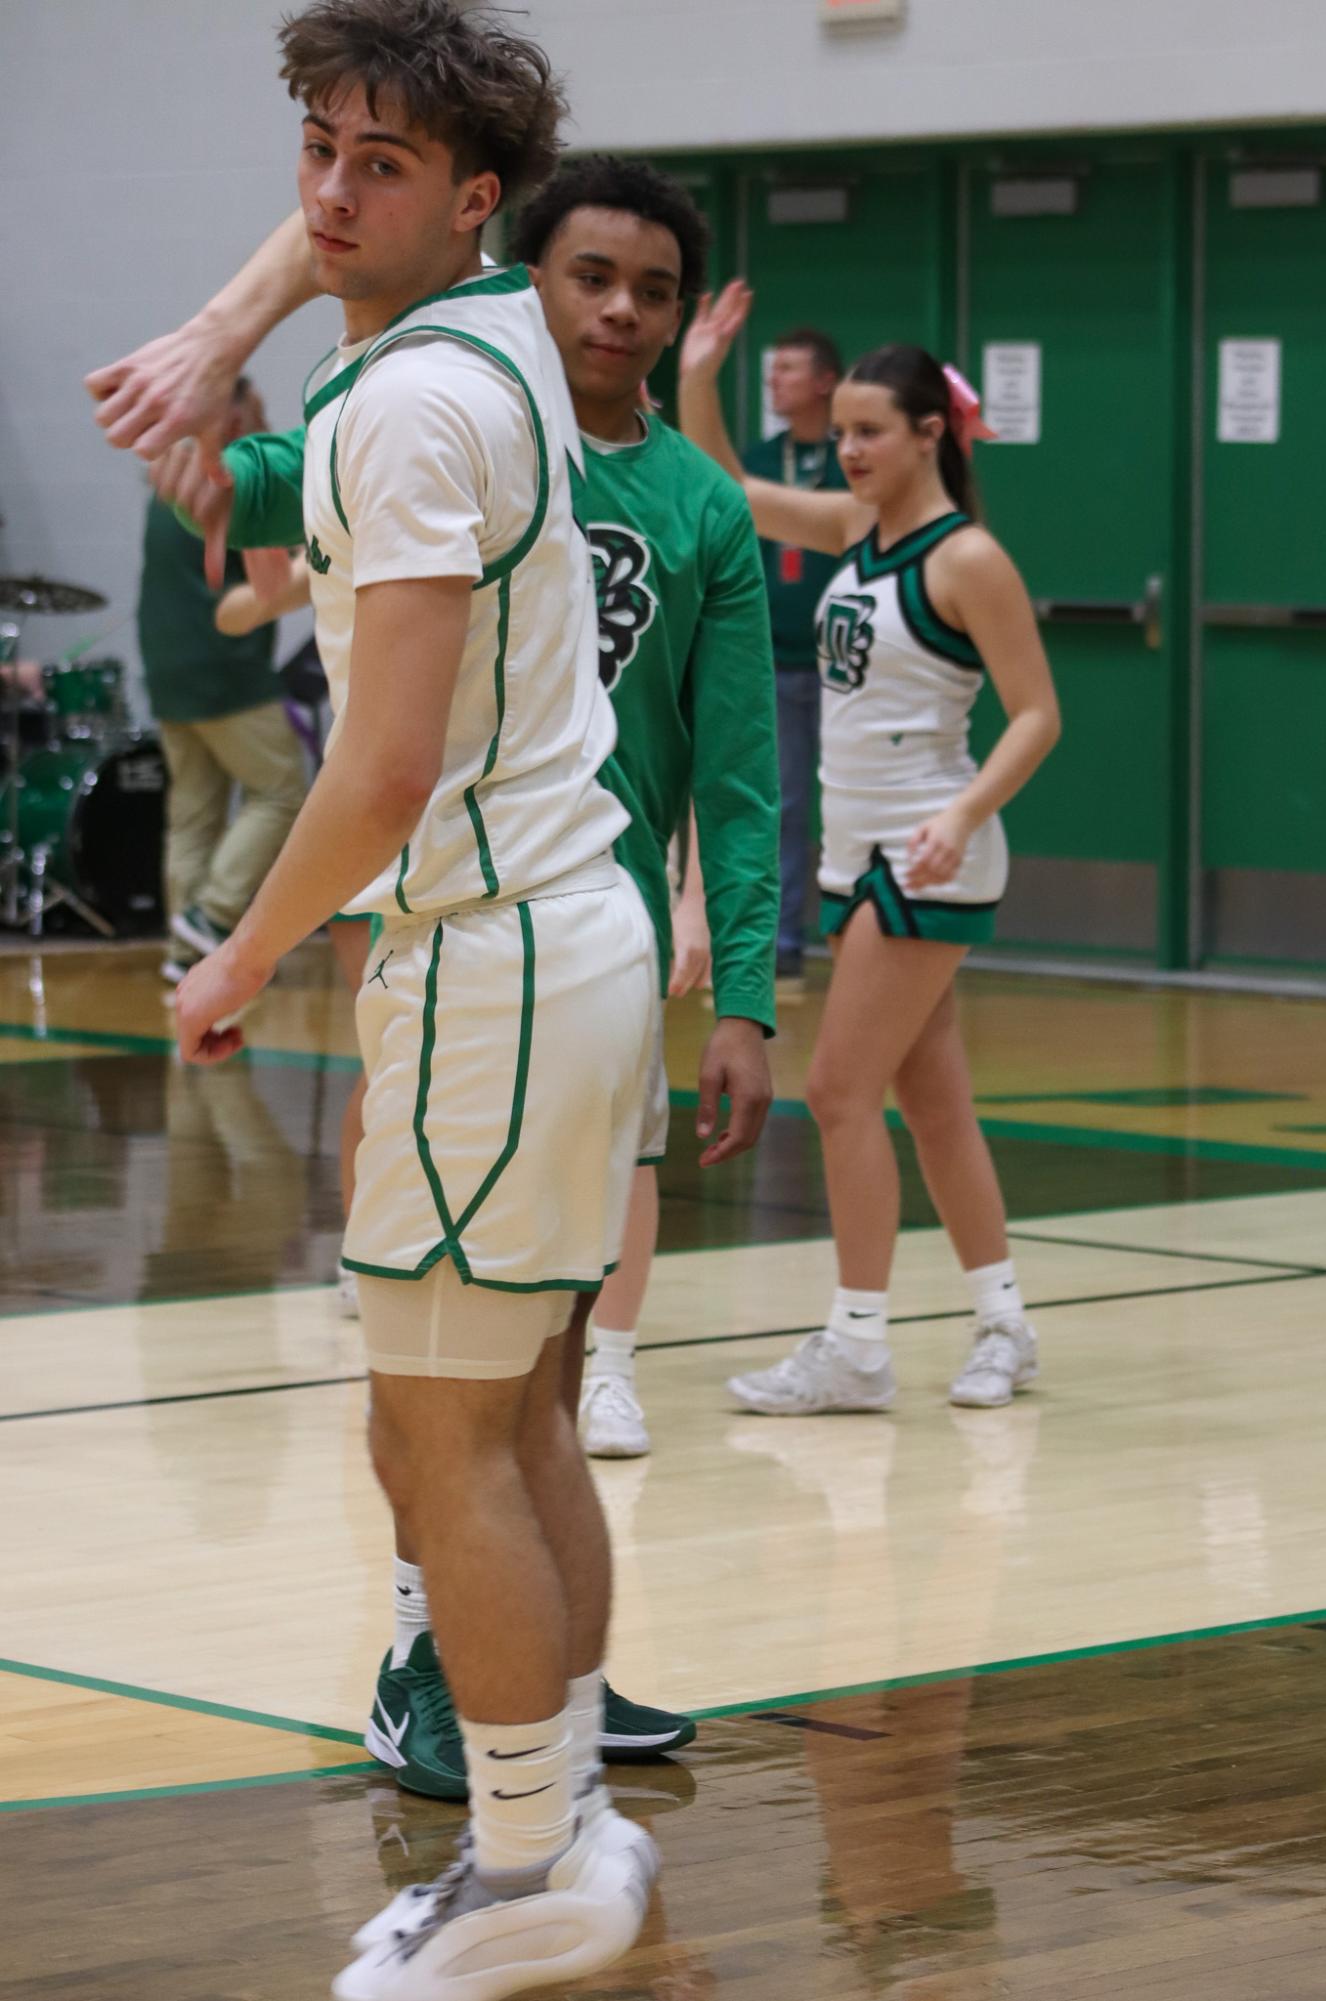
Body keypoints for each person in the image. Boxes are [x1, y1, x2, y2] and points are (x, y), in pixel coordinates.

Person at [92, 158, 781, 1793]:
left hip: (566, 952)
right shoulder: (459, 410)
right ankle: (436, 1655)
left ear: (681, 323)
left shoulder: (686, 503)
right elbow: (260, 479)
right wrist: (204, 406)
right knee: (455, 1382)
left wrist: (743, 987)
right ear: (519, 279)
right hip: (458, 943)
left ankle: (531, 1742)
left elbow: (739, 776)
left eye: (653, 288)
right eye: (589, 274)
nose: (616, 307)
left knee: (510, 1379)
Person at [121, 6, 667, 1995]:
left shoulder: (407, 407)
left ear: (476, 203)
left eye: (380, 164)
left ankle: (524, 1868)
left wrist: (241, 958)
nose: (330, 196)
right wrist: (230, 322)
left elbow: (382, 764)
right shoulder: (490, 337)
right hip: (558, 934)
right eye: (313, 154)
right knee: (500, 1419)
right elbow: (348, 243)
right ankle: (571, 1821)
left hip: (493, 954)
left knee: (445, 1437)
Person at [680, 281, 1062, 1415]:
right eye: (837, 430)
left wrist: (957, 816)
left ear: (927, 435)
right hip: (852, 858)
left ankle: (855, 1343)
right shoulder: (856, 531)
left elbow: (1037, 713)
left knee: (838, 1092)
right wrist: (696, 372)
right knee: (933, 1103)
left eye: (864, 432)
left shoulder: (965, 561)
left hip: (924, 854)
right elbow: (728, 492)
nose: (843, 449)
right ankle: (1002, 1323)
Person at [136, 377, 308, 985]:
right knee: (284, 790)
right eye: (256, 408)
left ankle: (184, 956)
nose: (264, 419)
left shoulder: (170, 480)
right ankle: (212, 919)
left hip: (166, 670)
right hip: (222, 669)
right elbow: (294, 562)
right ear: (230, 416)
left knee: (193, 813)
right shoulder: (225, 480)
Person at [742, 329, 847, 985]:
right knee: (780, 803)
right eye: (771, 368)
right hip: (774, 661)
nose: (774, 380)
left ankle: (855, 931)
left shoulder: (852, 463)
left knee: (847, 803)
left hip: (843, 667)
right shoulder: (756, 460)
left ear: (824, 382)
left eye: (788, 369)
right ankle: (782, 940)